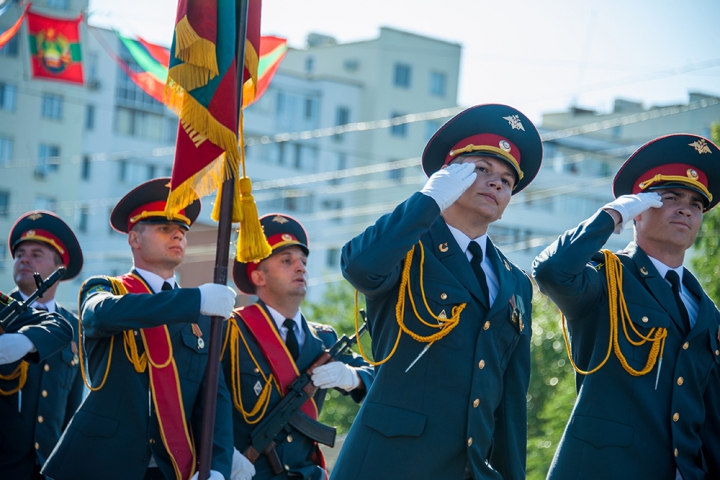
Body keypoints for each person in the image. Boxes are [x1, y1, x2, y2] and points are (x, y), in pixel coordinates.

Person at [331, 104, 543, 479]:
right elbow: (359, 266)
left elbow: (510, 404)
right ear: (450, 175)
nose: (497, 182)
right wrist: (428, 201)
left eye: (507, 180)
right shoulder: (407, 246)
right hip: (390, 464)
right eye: (482, 169)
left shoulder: (516, 283)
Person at [532, 133, 720, 479]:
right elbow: (551, 271)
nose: (685, 208)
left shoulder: (706, 312)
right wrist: (614, 214)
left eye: (696, 204)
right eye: (670, 197)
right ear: (640, 208)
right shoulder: (608, 279)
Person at [42, 178, 239, 480]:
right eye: (164, 228)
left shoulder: (201, 313)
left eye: (182, 231)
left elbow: (215, 399)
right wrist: (195, 298)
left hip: (170, 468)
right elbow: (99, 316)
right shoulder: (108, 289)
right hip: (102, 465)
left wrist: (217, 468)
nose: (177, 235)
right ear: (134, 238)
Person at [223, 213, 374, 480]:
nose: (301, 268)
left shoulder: (324, 338)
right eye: (287, 261)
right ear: (258, 276)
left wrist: (353, 378)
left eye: (303, 261)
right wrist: (220, 454)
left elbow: (378, 379)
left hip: (307, 473)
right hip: (247, 472)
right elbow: (201, 402)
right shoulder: (230, 331)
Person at [1, 210, 85, 479]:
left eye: (36, 254)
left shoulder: (72, 328)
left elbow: (72, 408)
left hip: (49, 469)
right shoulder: (3, 315)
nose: (24, 259)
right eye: (19, 253)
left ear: (58, 270)